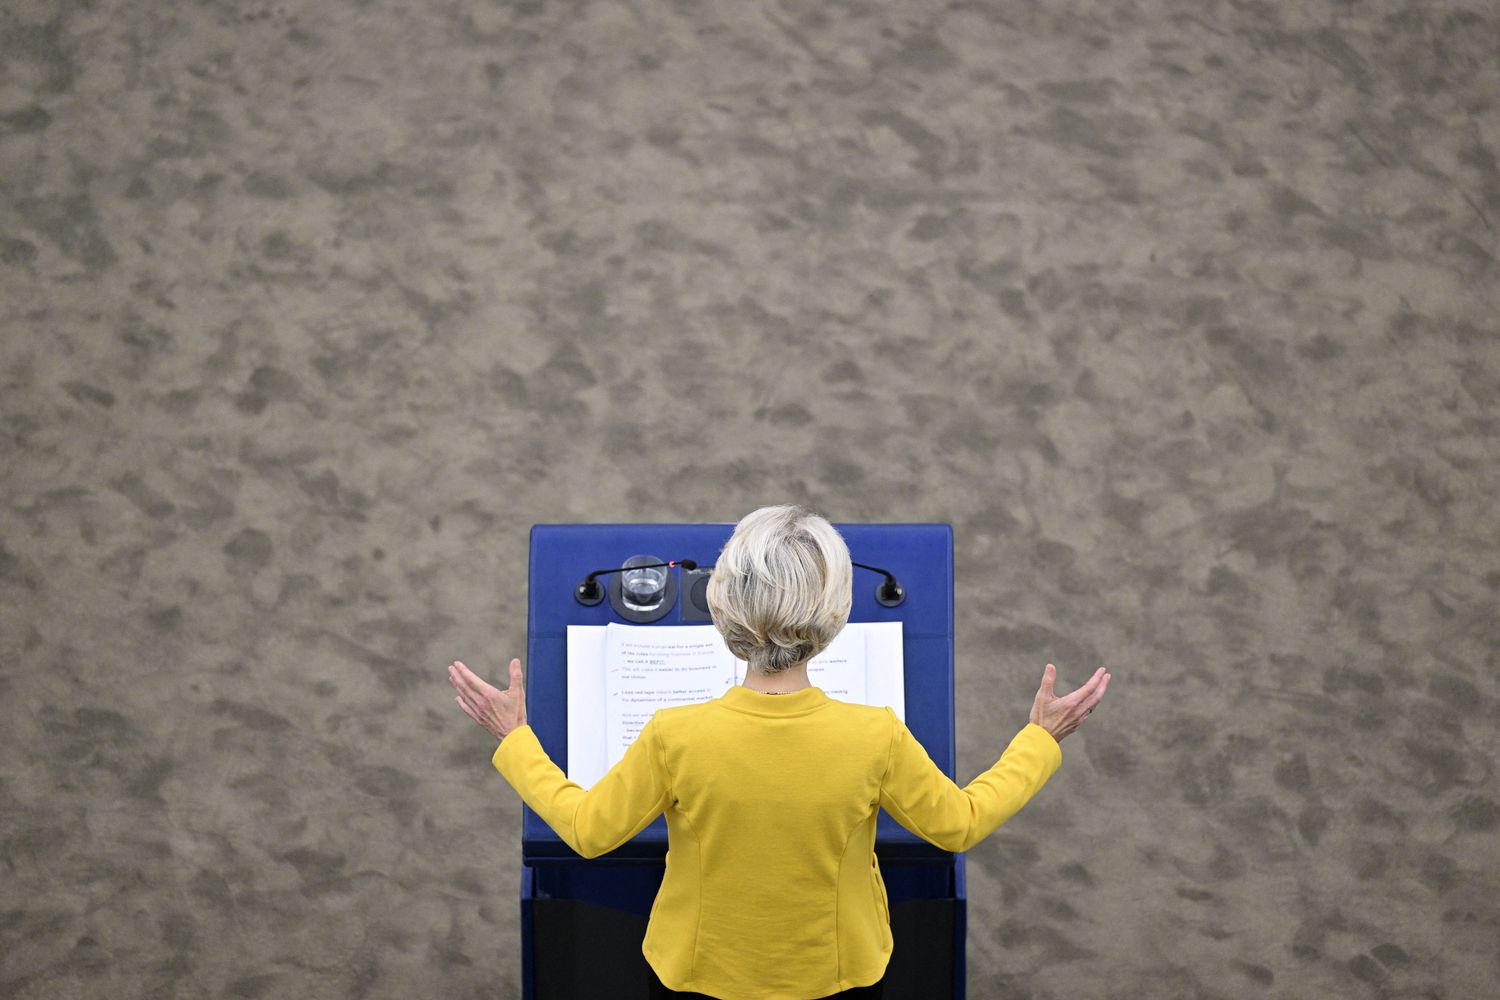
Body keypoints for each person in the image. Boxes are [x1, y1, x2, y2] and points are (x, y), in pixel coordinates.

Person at [448, 505, 1111, 1000]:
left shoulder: (674, 735)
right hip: (839, 978)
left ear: (723, 607)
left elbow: (587, 832)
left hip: (696, 977)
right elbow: (959, 823)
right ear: (833, 616)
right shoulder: (874, 735)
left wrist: (515, 739)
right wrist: (1040, 739)